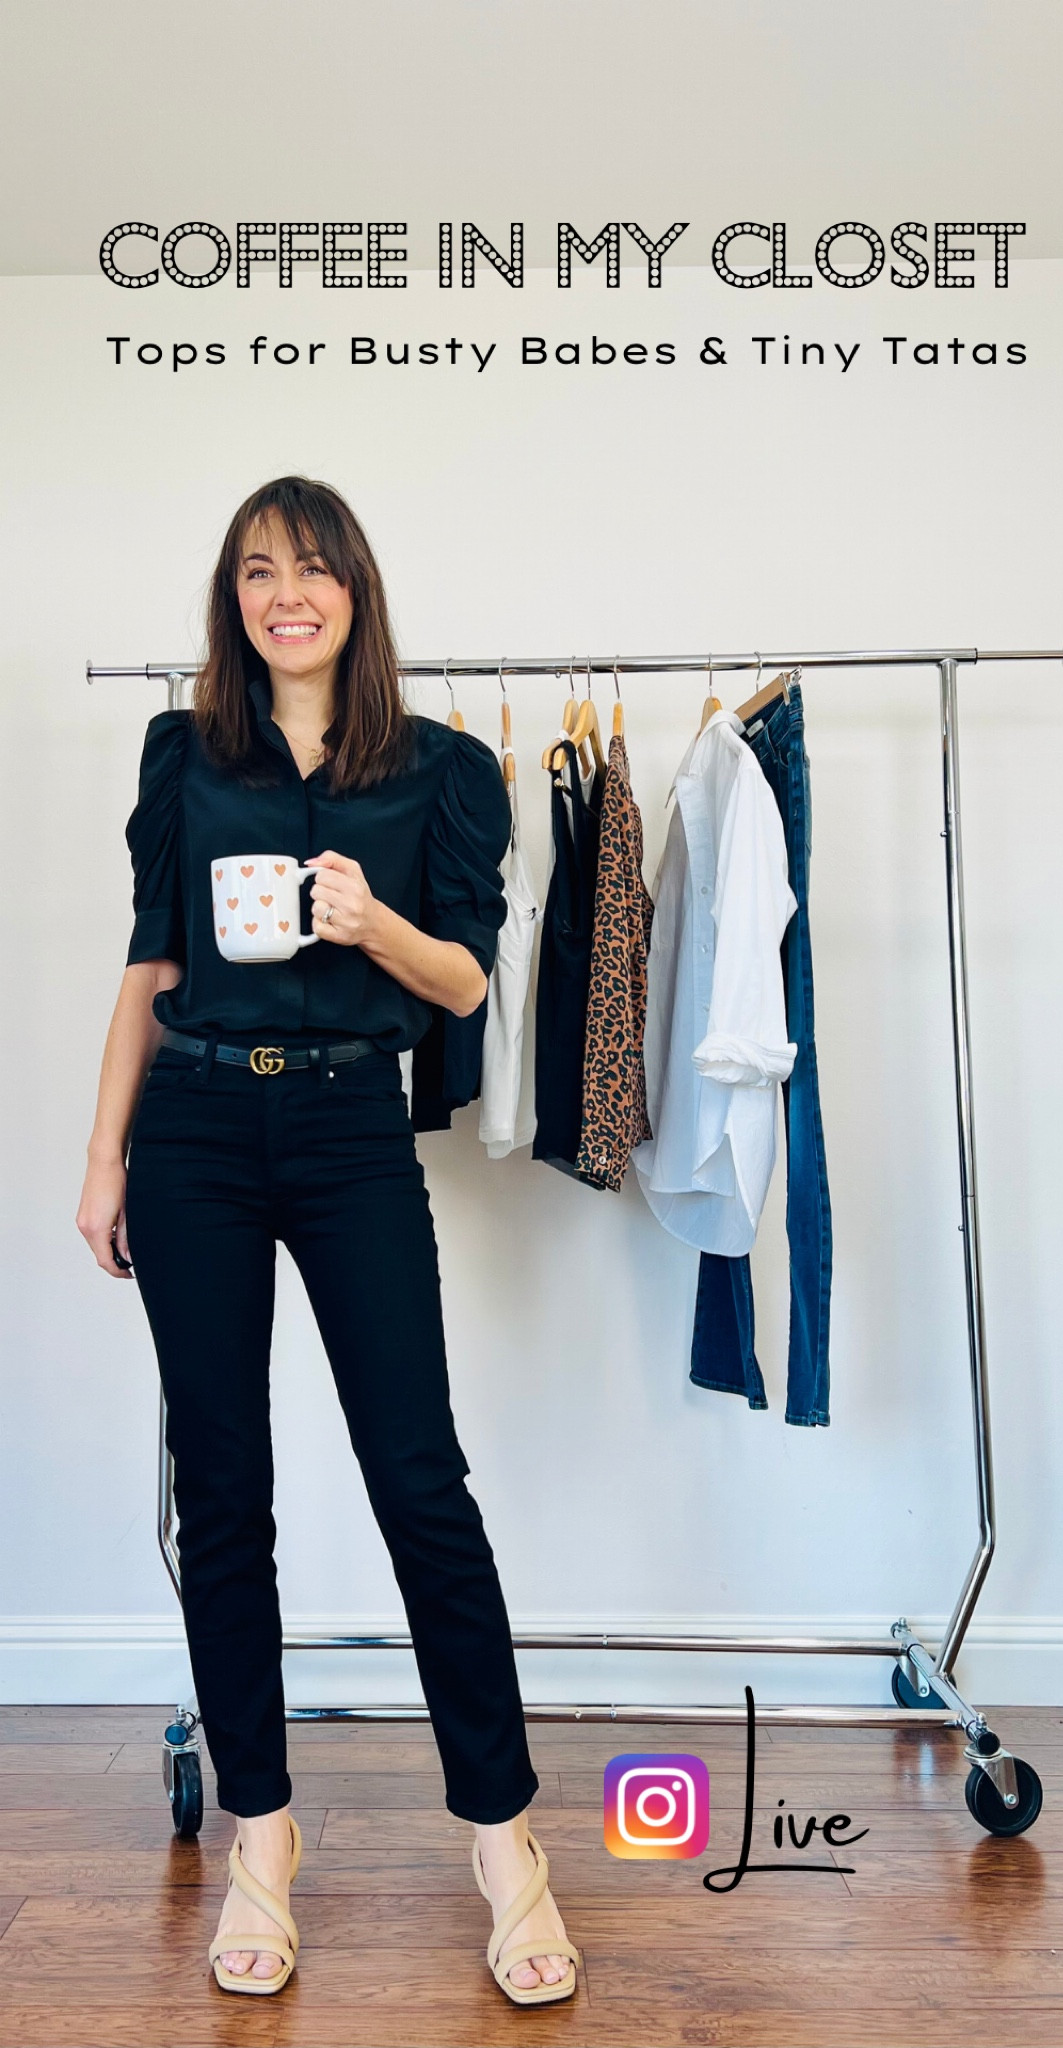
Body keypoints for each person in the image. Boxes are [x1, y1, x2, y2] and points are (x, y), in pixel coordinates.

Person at [75, 476, 579, 2007]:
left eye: (309, 570)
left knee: (417, 1473)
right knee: (223, 1486)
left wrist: (373, 926)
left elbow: (472, 984)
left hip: (355, 1131)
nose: (283, 595)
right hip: (196, 1137)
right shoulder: (186, 757)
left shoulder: (438, 774)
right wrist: (102, 1157)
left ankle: (509, 1845)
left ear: (356, 590)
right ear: (234, 604)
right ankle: (263, 1839)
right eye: (254, 574)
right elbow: (151, 966)